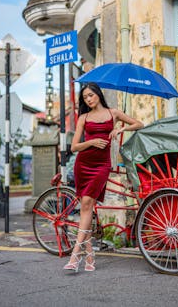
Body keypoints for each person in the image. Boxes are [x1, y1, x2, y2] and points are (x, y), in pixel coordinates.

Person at [63, 83, 144, 272]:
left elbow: (139, 124)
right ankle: (89, 256)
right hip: (83, 164)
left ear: (98, 94)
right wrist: (90, 141)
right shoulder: (83, 117)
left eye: (91, 95)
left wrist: (120, 130)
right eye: (85, 98)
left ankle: (76, 256)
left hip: (102, 165)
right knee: (87, 207)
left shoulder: (113, 113)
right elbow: (74, 147)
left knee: (87, 204)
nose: (89, 99)